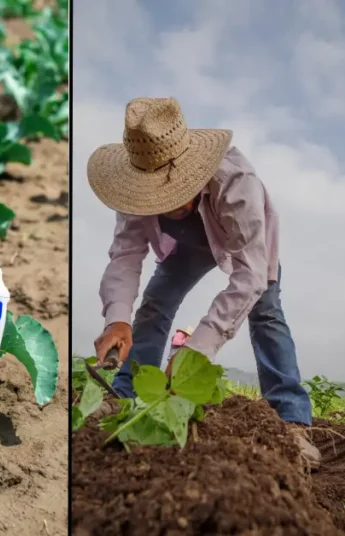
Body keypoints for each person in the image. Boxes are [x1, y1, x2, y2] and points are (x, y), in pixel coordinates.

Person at [87, 97, 321, 466]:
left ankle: (291, 419)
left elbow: (250, 274)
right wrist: (117, 317)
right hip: (190, 244)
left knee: (266, 314)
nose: (169, 205)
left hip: (245, 245)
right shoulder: (132, 187)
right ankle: (124, 396)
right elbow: (126, 255)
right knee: (156, 300)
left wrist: (196, 351)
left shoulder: (236, 181)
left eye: (177, 193)